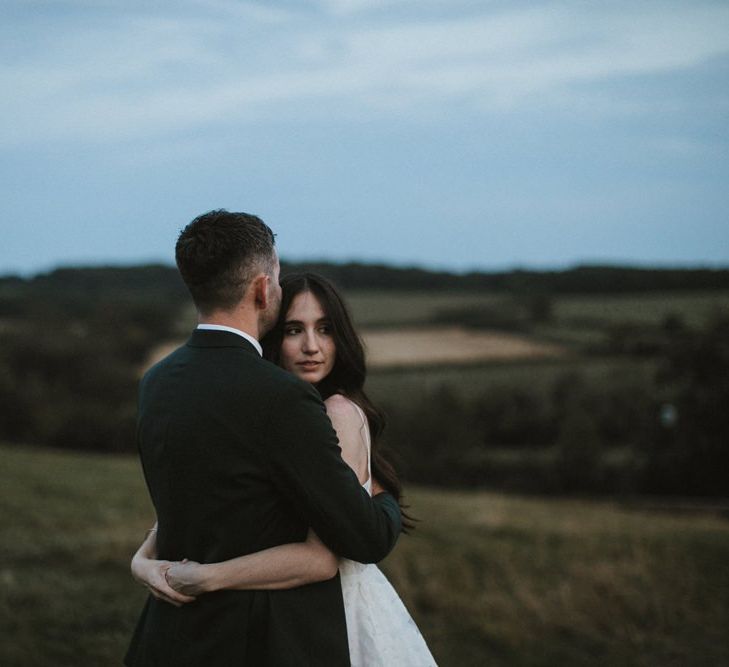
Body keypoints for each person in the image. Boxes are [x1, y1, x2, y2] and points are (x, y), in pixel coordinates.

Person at [125, 210, 402, 667]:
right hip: (255, 640)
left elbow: (195, 503)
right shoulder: (283, 399)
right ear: (262, 289)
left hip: (167, 636)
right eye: (275, 276)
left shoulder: (156, 381)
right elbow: (366, 540)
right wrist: (380, 491)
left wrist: (141, 562)